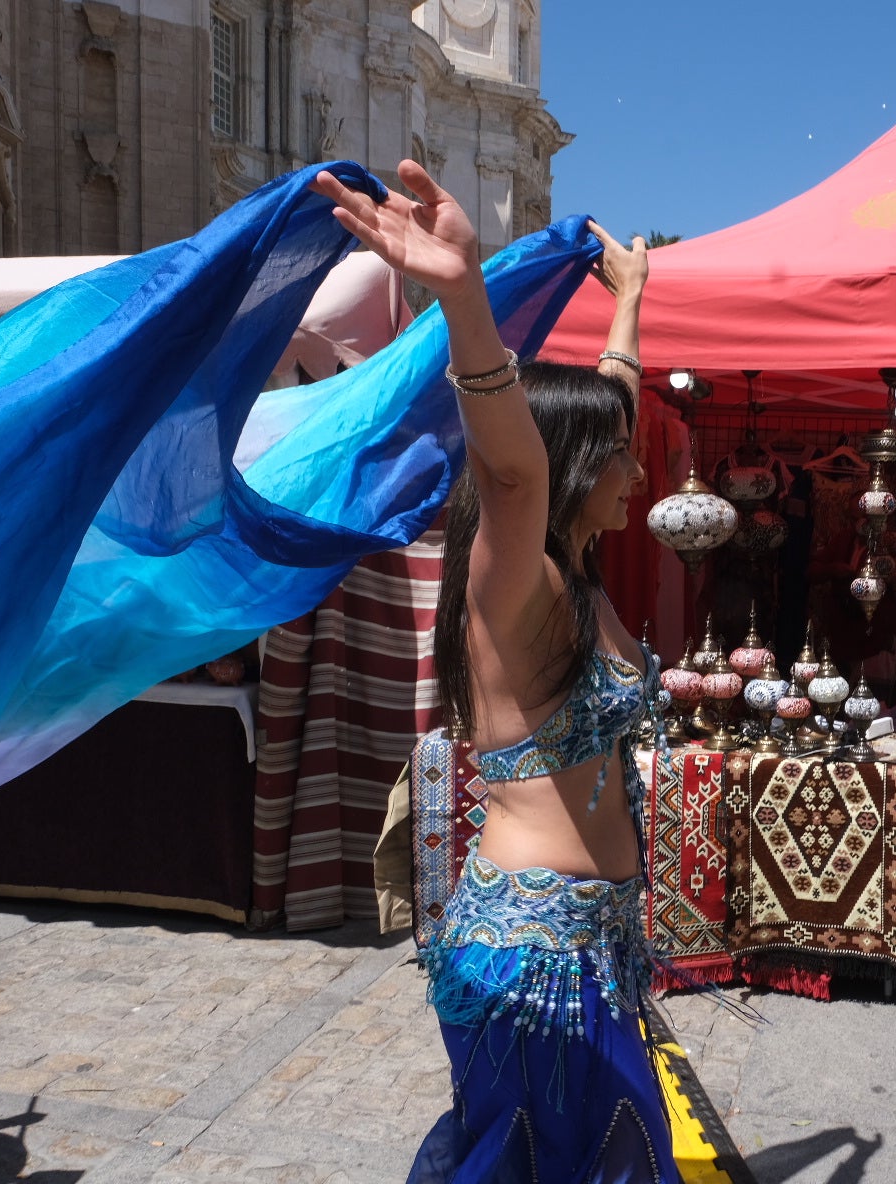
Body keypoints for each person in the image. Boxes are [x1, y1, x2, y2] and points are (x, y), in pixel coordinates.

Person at [310, 162, 674, 1181]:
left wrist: (632, 304)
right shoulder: (517, 574)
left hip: (587, 950)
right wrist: (462, 294)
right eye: (619, 457)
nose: (638, 472)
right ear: (569, 468)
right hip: (531, 960)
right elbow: (514, 465)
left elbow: (605, 413)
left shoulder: (572, 568)